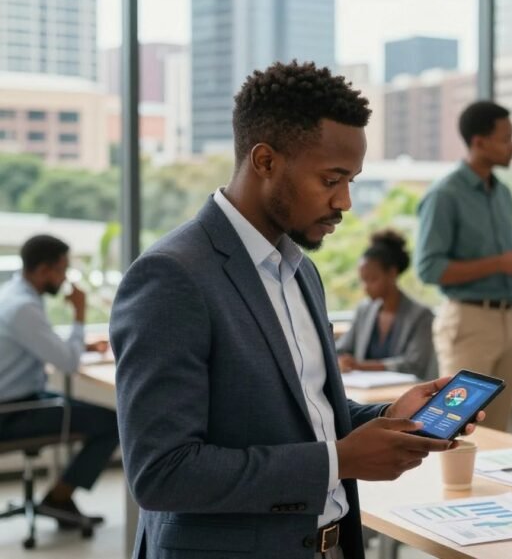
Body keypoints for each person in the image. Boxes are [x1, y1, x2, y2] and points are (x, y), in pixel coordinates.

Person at [110, 62, 479, 559]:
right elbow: (162, 473)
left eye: (352, 179)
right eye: (331, 179)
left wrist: (389, 415)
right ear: (265, 161)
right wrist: (338, 462)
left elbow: (303, 413)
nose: (345, 201)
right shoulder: (172, 277)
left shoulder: (300, 270)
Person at [415, 101, 512, 431]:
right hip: (469, 322)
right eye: (506, 138)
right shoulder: (445, 194)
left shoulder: (503, 194)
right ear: (479, 142)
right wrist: (500, 263)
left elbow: (494, 262)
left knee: (500, 431)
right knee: (457, 427)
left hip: (508, 319)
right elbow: (429, 268)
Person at [0, 234, 118, 527]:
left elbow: (45, 346)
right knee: (111, 423)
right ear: (43, 271)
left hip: (19, 400)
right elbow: (67, 363)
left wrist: (81, 344)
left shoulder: (14, 294)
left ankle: (60, 498)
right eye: (62, 270)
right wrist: (79, 314)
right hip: (13, 411)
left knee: (89, 414)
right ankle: (59, 499)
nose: (65, 278)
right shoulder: (23, 308)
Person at [336, 230, 437, 380]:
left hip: (404, 391)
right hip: (365, 392)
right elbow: (343, 348)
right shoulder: (364, 310)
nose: (366, 287)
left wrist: (361, 366)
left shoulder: (421, 315)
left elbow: (415, 364)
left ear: (392, 273)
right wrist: (342, 359)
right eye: (363, 280)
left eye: (372, 279)